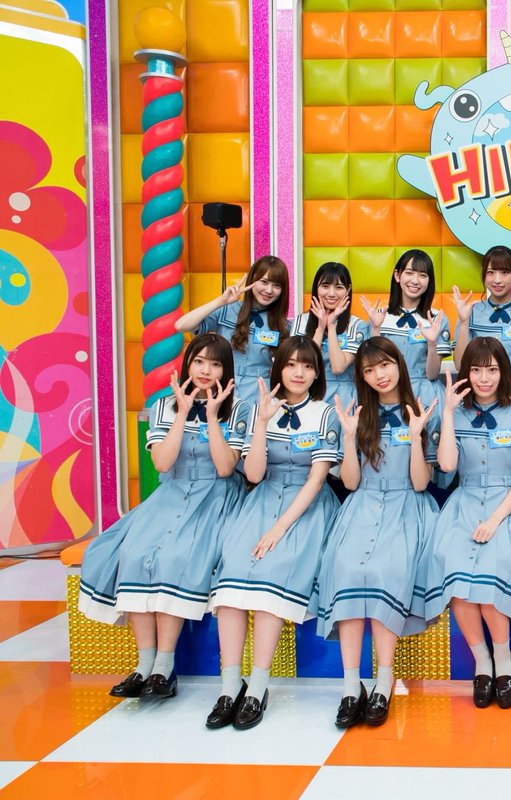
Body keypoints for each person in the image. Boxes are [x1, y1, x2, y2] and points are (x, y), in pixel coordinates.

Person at [79, 333, 247, 700]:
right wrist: (182, 413)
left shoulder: (238, 409)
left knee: (175, 556)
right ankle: (144, 665)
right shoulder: (164, 407)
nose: (206, 370)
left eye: (215, 364)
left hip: (215, 496)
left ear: (226, 370)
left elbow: (224, 468)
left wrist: (212, 417)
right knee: (133, 553)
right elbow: (162, 463)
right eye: (199, 361)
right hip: (171, 493)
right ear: (188, 364)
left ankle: (164, 667)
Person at [206, 336, 342, 730]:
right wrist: (263, 423)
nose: (299, 372)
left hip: (306, 507)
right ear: (279, 367)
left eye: (308, 366)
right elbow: (253, 474)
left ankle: (258, 687)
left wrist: (280, 528)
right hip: (263, 499)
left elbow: (317, 480)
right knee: (231, 581)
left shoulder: (324, 413)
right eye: (292, 364)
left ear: (316, 373)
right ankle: (229, 686)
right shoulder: (257, 409)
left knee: (273, 572)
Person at [316, 337, 440, 728]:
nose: (379, 375)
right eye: (369, 370)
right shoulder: (358, 413)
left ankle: (384, 682)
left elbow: (421, 483)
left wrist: (416, 436)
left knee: (388, 570)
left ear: (399, 364)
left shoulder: (421, 408)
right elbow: (351, 483)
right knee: (347, 569)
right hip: (363, 504)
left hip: (406, 506)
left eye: (384, 365)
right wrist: (349, 436)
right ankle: (351, 686)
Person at [422, 337, 511, 710]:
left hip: (510, 506)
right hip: (465, 503)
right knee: (457, 581)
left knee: (491, 573)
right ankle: (482, 662)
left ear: (503, 371)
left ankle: (504, 661)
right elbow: (447, 466)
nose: (484, 378)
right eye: (476, 370)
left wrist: (494, 520)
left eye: (491, 369)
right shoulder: (457, 415)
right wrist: (447, 413)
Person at [175, 255, 291, 402]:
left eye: (277, 285)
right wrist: (221, 301)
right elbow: (181, 325)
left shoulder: (283, 325)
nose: (269, 290)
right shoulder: (227, 311)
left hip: (259, 393)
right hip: (222, 387)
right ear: (252, 279)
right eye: (264, 282)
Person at [360, 249, 451, 410]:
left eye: (423, 275)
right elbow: (372, 365)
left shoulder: (437, 319)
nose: (415, 281)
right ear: (397, 275)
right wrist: (375, 328)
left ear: (429, 281)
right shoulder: (379, 316)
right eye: (409, 273)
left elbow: (432, 374)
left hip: (425, 396)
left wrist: (432, 342)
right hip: (387, 394)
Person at [452, 245, 511, 401]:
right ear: (483, 274)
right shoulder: (470, 313)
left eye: (504, 272)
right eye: (491, 272)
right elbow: (460, 365)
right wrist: (463, 323)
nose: (497, 280)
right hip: (480, 395)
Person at [292, 261, 367, 408]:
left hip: (343, 396)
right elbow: (301, 363)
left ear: (348, 290)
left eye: (339, 287)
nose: (331, 294)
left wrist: (331, 327)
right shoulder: (301, 321)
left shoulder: (357, 325)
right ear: (316, 288)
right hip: (308, 392)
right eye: (325, 286)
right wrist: (320, 329)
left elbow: (338, 367)